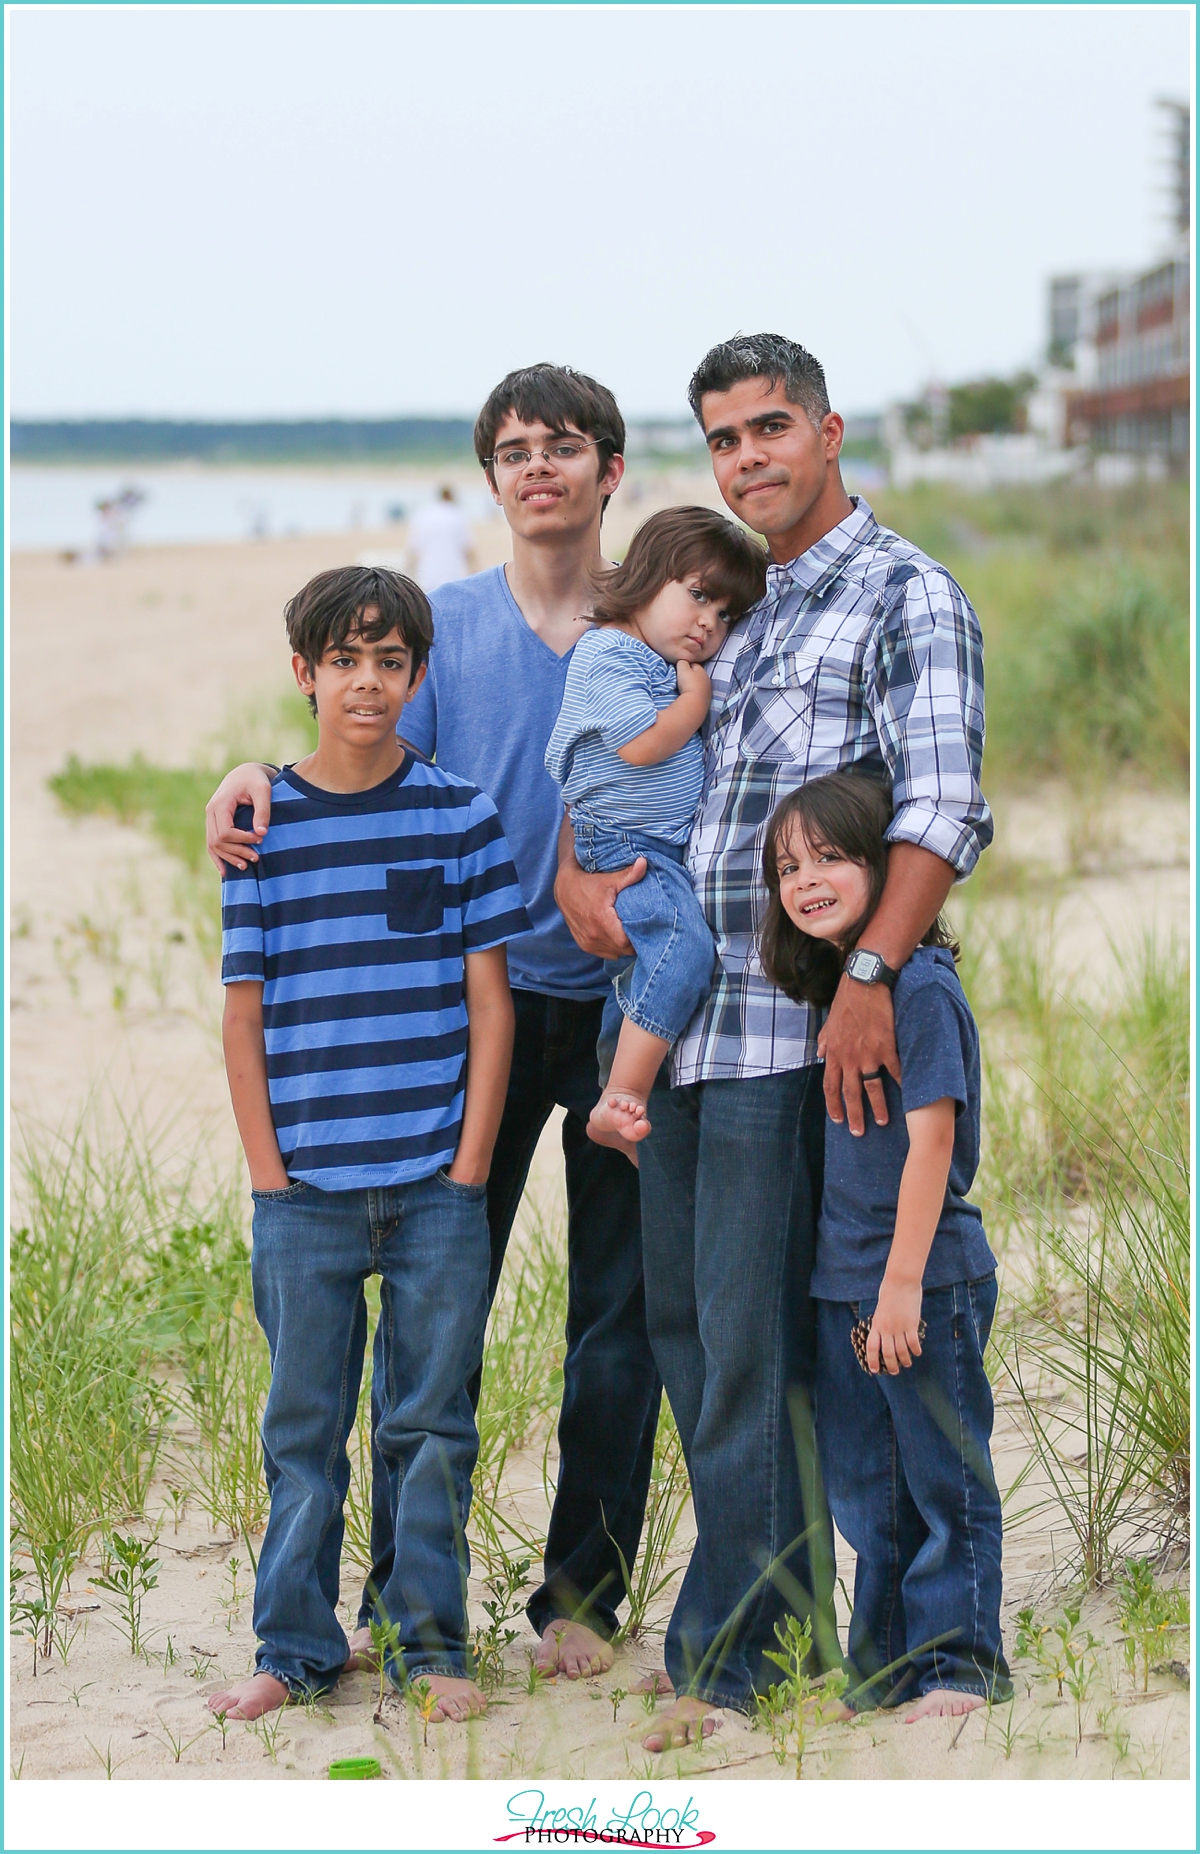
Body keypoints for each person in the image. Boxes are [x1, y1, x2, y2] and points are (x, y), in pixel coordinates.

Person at [554, 333, 992, 1752]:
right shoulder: (742, 610)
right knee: (695, 1335)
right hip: (679, 1029)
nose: (749, 457)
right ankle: (770, 1617)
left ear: (830, 428)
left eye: (770, 427)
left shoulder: (904, 592)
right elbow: (663, 782)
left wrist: (871, 968)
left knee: (754, 1347)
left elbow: (938, 809)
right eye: (726, 439)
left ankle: (745, 1661)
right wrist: (587, 873)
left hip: (792, 1044)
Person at [204, 365, 663, 1683]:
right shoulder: (445, 626)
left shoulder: (658, 615)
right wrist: (246, 772)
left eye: (563, 446)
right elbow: (366, 745)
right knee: (434, 1321)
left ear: (607, 471)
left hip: (633, 1008)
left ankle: (583, 1592)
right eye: (513, 450)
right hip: (488, 1016)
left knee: (617, 1319)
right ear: (490, 478)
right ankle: (407, 1605)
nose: (538, 467)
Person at [209, 565, 529, 1725]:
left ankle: (425, 1641)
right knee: (304, 1431)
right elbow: (243, 1016)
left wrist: (471, 1165)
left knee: (431, 1427)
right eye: (344, 659)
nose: (367, 681)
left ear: (417, 675)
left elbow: (491, 1003)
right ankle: (295, 1647)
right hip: (304, 1194)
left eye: (389, 661)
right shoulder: (261, 828)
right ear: (305, 673)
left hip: (437, 1183)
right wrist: (269, 1176)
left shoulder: (457, 815)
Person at [759, 770, 1011, 1720]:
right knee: (871, 1491)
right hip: (849, 1284)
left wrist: (901, 1284)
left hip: (923, 1279)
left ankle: (961, 1665)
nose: (807, 878)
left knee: (943, 1478)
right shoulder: (835, 1000)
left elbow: (934, 1142)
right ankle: (887, 1665)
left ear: (884, 865)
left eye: (829, 857)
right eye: (788, 866)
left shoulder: (920, 991)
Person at [545, 507, 766, 1158]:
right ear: (645, 576)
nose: (708, 623)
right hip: (624, 844)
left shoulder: (652, 654)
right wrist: (693, 706)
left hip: (656, 847)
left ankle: (614, 1093)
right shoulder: (608, 651)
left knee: (641, 972)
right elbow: (641, 745)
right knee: (685, 952)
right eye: (698, 596)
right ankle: (626, 1098)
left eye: (725, 615)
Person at [408, 484, 473, 591]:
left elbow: (414, 549)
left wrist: (408, 572)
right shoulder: (457, 515)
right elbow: (468, 549)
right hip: (453, 573)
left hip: (427, 574)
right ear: (452, 497)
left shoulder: (423, 515)